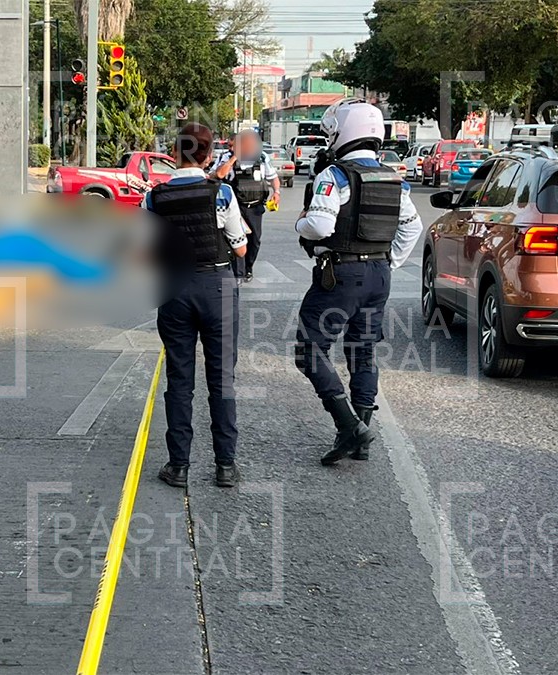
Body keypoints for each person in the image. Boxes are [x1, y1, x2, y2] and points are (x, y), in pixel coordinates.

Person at [293, 98, 423, 466]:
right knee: (362, 353)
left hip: (341, 275)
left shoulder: (334, 175)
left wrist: (300, 224)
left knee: (309, 350)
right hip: (379, 275)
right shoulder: (394, 178)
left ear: (344, 133)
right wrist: (388, 262)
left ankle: (349, 425)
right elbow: (412, 226)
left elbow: (319, 226)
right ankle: (361, 438)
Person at [144, 122, 249, 488]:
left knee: (179, 378)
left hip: (174, 288)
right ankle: (225, 465)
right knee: (222, 378)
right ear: (208, 156)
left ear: (174, 155)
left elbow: (143, 252)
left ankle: (179, 465)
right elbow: (240, 247)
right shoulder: (221, 194)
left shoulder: (154, 198)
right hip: (216, 287)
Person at [211, 129, 279, 281]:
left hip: (255, 207)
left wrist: (277, 192)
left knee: (255, 240)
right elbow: (219, 175)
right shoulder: (226, 158)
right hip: (237, 208)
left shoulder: (262, 158)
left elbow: (273, 178)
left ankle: (248, 267)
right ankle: (239, 273)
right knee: (237, 237)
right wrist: (234, 157)